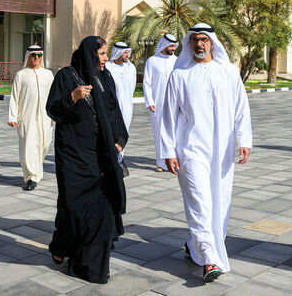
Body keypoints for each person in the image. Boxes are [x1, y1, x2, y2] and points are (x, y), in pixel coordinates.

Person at [160, 23, 252, 283]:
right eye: (195, 40)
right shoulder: (180, 76)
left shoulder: (228, 73)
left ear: (212, 42)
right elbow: (168, 116)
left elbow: (240, 108)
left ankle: (194, 244)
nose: (199, 44)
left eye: (204, 40)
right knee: (199, 202)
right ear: (189, 43)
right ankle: (209, 260)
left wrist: (244, 139)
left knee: (220, 203)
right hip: (190, 151)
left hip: (222, 152)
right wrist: (168, 151)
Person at [46, 36, 127, 283]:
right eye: (101, 54)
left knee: (103, 206)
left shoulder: (106, 78)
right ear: (90, 54)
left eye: (106, 54)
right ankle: (63, 244)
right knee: (73, 206)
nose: (105, 59)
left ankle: (92, 264)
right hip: (73, 156)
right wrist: (72, 96)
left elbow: (114, 110)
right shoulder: (67, 76)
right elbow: (53, 109)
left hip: (101, 156)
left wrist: (119, 139)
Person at [8, 45, 55, 191]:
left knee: (44, 144)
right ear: (28, 56)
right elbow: (14, 97)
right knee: (28, 147)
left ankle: (36, 171)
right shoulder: (21, 75)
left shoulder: (48, 74)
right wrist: (12, 116)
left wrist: (55, 115)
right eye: (33, 55)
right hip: (26, 117)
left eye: (39, 55)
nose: (36, 58)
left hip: (45, 118)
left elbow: (54, 96)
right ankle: (30, 177)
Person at [143, 33, 178, 172]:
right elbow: (146, 83)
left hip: (175, 103)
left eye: (175, 46)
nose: (173, 48)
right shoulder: (152, 61)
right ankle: (161, 163)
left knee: (175, 131)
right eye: (171, 45)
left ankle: (174, 160)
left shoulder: (177, 60)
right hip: (157, 102)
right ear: (164, 45)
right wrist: (150, 101)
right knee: (159, 131)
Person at [104, 42, 136, 133]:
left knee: (124, 132)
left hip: (127, 106)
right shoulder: (107, 67)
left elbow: (132, 87)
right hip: (111, 106)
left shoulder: (131, 68)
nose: (127, 55)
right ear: (117, 52)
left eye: (128, 52)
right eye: (125, 52)